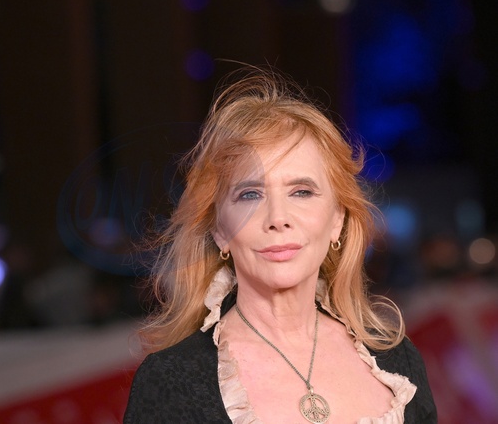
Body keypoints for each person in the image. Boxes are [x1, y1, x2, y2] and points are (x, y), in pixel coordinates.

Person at [124, 68, 437, 423]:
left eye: (301, 192)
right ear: (220, 230)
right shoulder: (170, 382)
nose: (277, 218)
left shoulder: (398, 361)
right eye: (250, 194)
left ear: (337, 219)